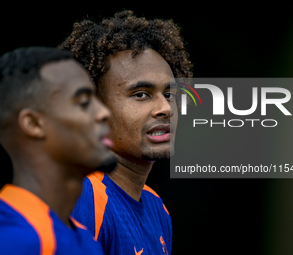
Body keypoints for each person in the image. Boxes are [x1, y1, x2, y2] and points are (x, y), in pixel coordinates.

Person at [59, 10, 193, 254]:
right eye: (141, 94)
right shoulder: (83, 199)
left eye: (170, 94)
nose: (165, 108)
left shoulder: (157, 208)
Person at [0, 46, 117, 254]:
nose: (104, 113)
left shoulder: (83, 237)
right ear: (34, 124)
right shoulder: (12, 241)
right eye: (84, 102)